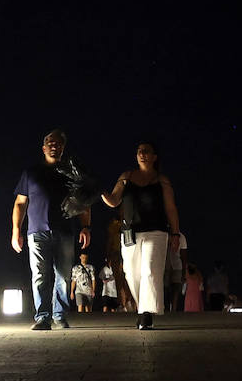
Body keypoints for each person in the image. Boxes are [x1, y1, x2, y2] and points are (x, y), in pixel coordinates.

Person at [11, 129, 91, 330]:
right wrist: (15, 232)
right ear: (44, 147)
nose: (54, 145)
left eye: (58, 143)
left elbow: (84, 202)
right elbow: (20, 203)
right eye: (50, 142)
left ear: (63, 148)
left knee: (63, 275)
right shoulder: (31, 173)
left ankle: (60, 315)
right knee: (40, 275)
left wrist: (86, 227)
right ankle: (43, 317)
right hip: (37, 231)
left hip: (65, 231)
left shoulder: (71, 173)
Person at [101, 141, 181, 330]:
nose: (142, 154)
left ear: (155, 157)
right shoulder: (126, 177)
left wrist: (175, 233)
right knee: (131, 273)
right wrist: (99, 191)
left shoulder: (162, 180)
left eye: (146, 151)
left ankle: (146, 314)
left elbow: (170, 208)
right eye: (139, 151)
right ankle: (141, 307)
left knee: (150, 270)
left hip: (157, 231)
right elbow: (113, 201)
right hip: (130, 233)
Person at [165, 230, 189, 311]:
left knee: (175, 289)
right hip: (167, 266)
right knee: (166, 289)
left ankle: (173, 310)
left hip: (176, 266)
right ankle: (168, 309)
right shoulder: (165, 234)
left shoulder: (181, 237)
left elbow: (184, 256)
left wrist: (184, 273)